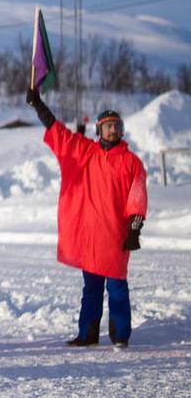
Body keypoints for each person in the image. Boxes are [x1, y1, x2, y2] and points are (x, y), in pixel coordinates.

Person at [26, 89, 147, 348]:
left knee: (117, 289)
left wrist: (134, 230)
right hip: (90, 238)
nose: (113, 130)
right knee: (91, 289)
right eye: (108, 126)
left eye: (117, 126)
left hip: (116, 237)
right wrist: (39, 105)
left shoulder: (131, 162)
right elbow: (59, 133)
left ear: (122, 130)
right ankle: (87, 334)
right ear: (99, 130)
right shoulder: (84, 152)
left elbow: (137, 197)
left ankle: (120, 336)